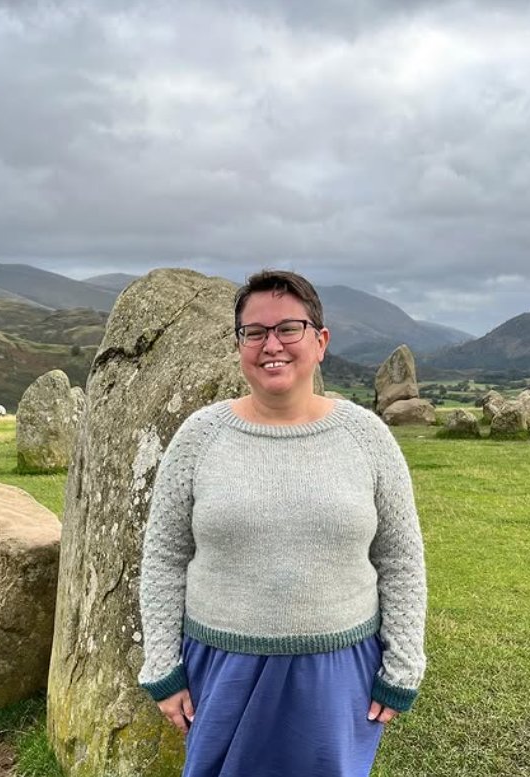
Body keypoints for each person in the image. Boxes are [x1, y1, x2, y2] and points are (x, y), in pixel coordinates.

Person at [137, 269, 427, 777]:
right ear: (239, 344)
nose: (272, 344)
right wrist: (163, 664)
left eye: (289, 328)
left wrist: (403, 662)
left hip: (337, 671)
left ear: (320, 341)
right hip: (221, 667)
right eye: (255, 332)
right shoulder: (199, 437)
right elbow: (164, 556)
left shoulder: (367, 437)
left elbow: (400, 558)